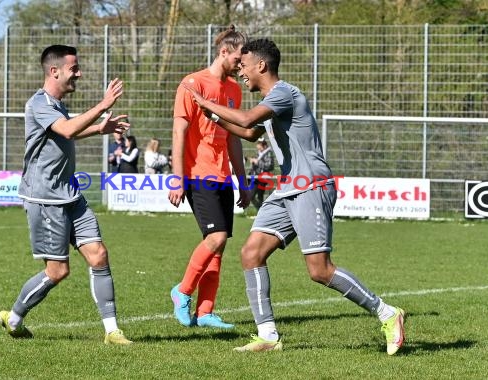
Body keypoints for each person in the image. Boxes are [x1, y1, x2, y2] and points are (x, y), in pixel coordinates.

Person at [184, 38, 406, 354]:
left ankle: (388, 313)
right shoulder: (271, 102)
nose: (241, 73)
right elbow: (249, 133)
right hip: (287, 187)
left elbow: (247, 120)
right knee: (251, 254)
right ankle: (268, 336)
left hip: (311, 186)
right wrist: (216, 118)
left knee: (319, 269)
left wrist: (206, 104)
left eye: (244, 67)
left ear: (261, 65)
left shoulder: (283, 94)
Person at [0, 44, 133, 345]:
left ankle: (112, 331)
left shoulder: (56, 105)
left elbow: (66, 129)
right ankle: (14, 317)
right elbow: (68, 131)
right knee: (58, 271)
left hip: (70, 193)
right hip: (45, 198)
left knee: (98, 255)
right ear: (54, 71)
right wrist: (103, 105)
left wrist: (100, 129)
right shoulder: (39, 103)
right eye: (75, 68)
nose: (79, 73)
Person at [168, 25, 250, 329]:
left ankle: (205, 312)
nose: (241, 66)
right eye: (238, 59)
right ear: (224, 51)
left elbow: (234, 138)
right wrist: (177, 178)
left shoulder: (234, 90)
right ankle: (183, 291)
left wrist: (242, 180)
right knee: (215, 238)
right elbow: (179, 131)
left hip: (222, 177)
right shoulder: (192, 84)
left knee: (218, 243)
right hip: (197, 174)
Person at [248, 138, 274, 209]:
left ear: (263, 145)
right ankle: (260, 210)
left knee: (260, 196)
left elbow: (270, 166)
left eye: (259, 144)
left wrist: (257, 162)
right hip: (256, 177)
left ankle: (261, 212)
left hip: (263, 178)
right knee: (251, 195)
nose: (257, 146)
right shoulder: (259, 153)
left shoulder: (268, 153)